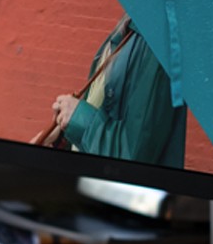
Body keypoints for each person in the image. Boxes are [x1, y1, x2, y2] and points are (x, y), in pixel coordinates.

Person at [49, 17, 187, 167]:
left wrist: (79, 119)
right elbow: (104, 109)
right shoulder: (129, 25)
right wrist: (64, 138)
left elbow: (132, 157)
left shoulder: (158, 40)